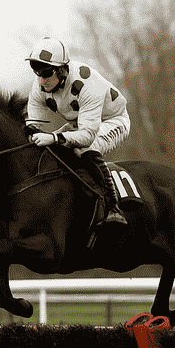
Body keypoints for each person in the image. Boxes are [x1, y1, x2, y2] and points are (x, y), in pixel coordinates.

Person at [23, 36, 131, 227]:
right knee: (48, 148)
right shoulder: (41, 83)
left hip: (112, 120)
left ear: (62, 70)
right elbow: (34, 124)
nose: (42, 79)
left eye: (46, 72)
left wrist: (54, 137)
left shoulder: (90, 85)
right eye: (36, 72)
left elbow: (87, 136)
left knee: (84, 150)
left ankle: (113, 208)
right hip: (80, 123)